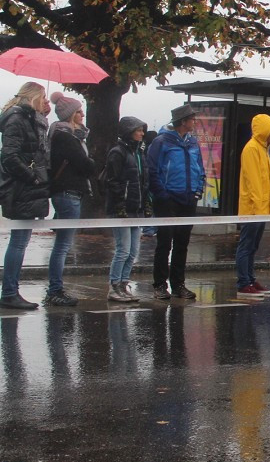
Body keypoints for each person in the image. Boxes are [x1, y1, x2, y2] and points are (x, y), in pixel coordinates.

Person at [0, 82, 51, 309]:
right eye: (43, 97)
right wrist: (32, 177)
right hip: (22, 188)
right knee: (19, 242)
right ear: (34, 97)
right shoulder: (17, 119)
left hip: (27, 188)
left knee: (21, 241)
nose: (45, 101)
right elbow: (9, 155)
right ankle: (9, 292)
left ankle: (11, 291)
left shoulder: (27, 118)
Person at [147, 105, 206, 300]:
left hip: (188, 198)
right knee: (164, 243)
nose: (194, 122)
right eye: (192, 119)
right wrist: (162, 195)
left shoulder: (192, 143)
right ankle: (159, 285)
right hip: (168, 199)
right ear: (183, 121)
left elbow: (200, 168)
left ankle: (178, 284)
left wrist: (198, 189)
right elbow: (153, 170)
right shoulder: (161, 142)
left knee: (183, 243)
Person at [45, 92, 96, 306]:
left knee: (63, 244)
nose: (82, 115)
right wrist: (89, 160)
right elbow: (86, 166)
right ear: (70, 115)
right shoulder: (66, 137)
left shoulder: (63, 135)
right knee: (63, 245)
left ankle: (55, 288)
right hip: (68, 193)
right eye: (78, 112)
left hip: (67, 193)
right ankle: (55, 289)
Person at [105, 116, 150, 302]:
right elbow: (113, 181)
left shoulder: (138, 153)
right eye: (138, 130)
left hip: (136, 208)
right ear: (129, 132)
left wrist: (146, 203)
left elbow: (142, 181)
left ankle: (123, 284)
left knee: (132, 252)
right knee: (122, 250)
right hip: (122, 209)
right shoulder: (118, 152)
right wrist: (119, 205)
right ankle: (114, 286)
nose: (142, 133)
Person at [236, 114, 270, 298]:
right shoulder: (252, 149)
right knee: (246, 246)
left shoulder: (262, 149)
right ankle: (244, 283)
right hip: (253, 210)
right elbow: (254, 183)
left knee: (252, 247)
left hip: (260, 210)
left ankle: (250, 279)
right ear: (265, 131)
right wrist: (260, 211)